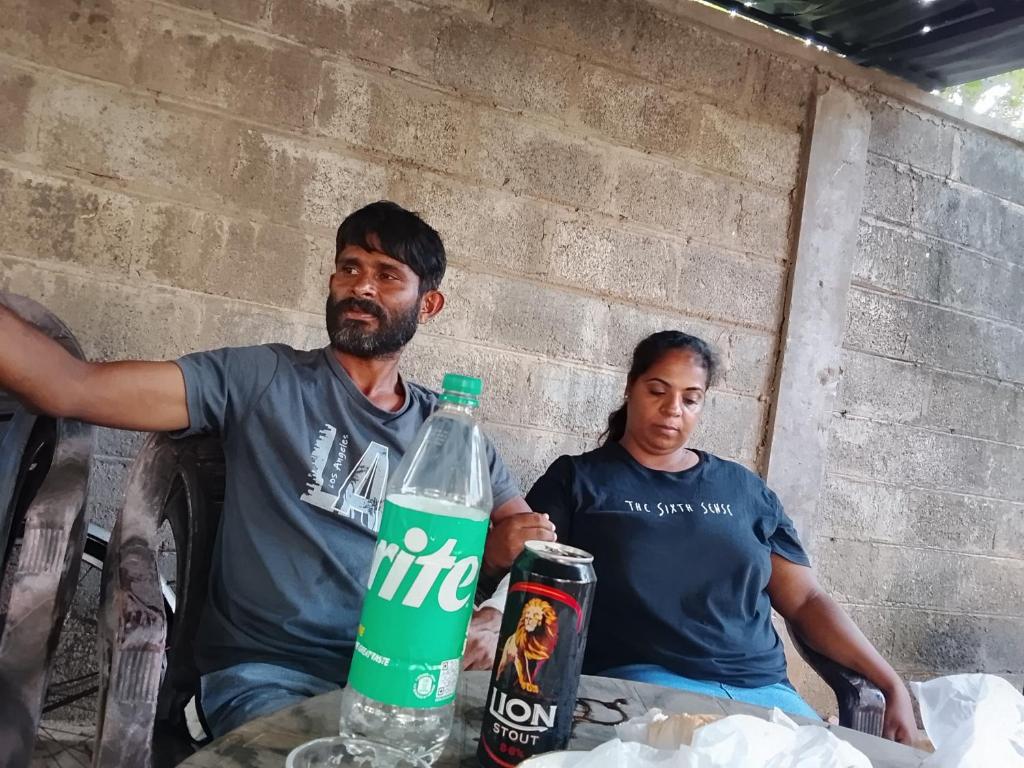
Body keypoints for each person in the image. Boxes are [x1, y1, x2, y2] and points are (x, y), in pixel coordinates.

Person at [0, 200, 555, 736]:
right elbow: (71, 386)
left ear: (427, 305)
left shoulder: (450, 432)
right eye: (349, 268)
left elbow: (536, 553)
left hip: (402, 686)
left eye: (387, 275)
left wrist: (493, 615)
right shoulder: (264, 380)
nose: (361, 285)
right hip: (266, 679)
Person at [525, 330, 918, 744]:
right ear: (630, 389)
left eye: (690, 399)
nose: (672, 409)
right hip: (641, 690)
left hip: (766, 697)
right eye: (658, 390)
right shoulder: (578, 481)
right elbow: (526, 585)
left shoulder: (744, 489)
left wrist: (890, 683)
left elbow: (805, 600)